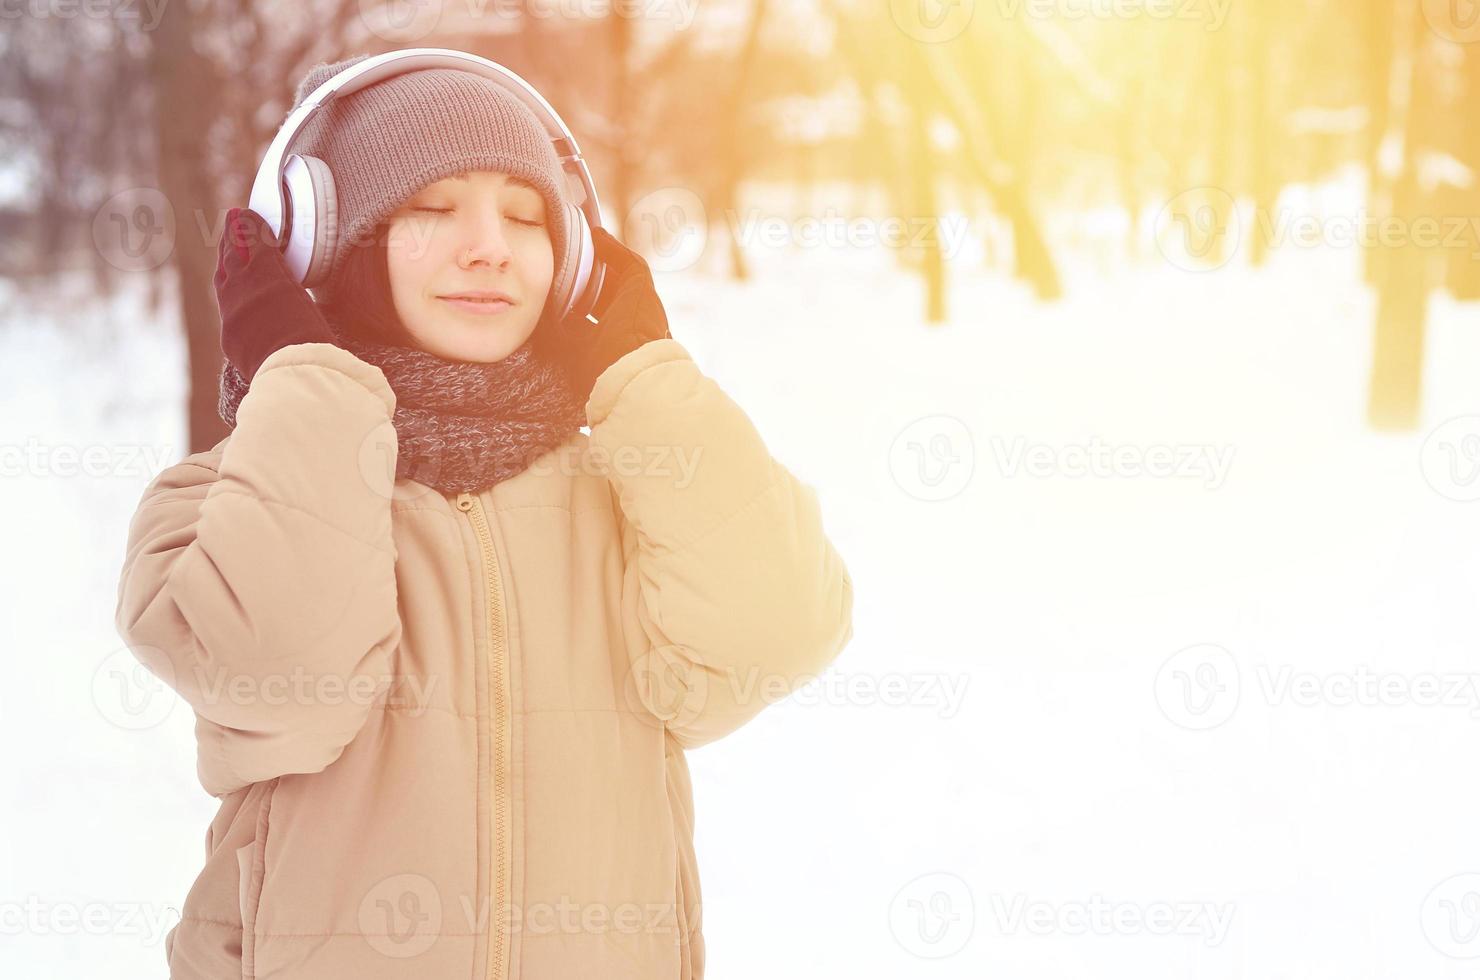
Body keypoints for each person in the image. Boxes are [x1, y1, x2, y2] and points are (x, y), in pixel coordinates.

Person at [113, 54, 854, 979]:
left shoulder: (629, 489)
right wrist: (305, 387)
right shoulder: (215, 500)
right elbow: (285, 683)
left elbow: (773, 635)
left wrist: (644, 377)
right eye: (432, 207)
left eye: (526, 215)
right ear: (328, 238)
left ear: (573, 258)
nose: (490, 246)